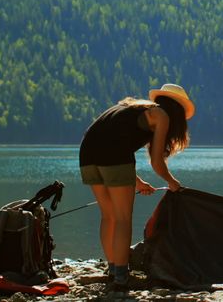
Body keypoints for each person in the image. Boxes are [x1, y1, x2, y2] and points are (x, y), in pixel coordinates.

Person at [78, 83, 195, 290]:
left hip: (87, 154)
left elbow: (111, 141)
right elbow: (156, 162)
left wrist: (138, 183)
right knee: (123, 219)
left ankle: (113, 270)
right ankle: (122, 278)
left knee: (109, 216)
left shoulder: (131, 106)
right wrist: (173, 183)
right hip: (113, 157)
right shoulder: (161, 116)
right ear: (177, 110)